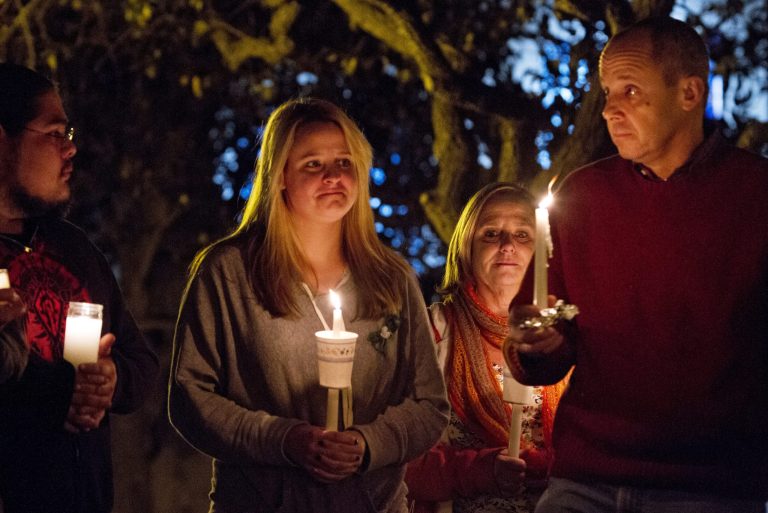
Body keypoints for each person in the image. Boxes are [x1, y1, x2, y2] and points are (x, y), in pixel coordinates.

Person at [503, 16, 768, 513]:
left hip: (711, 487)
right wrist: (537, 345)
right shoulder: (583, 196)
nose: (608, 110)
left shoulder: (755, 196)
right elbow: (537, 346)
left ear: (688, 94)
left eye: (630, 91)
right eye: (606, 92)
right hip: (585, 478)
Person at [168, 97, 449, 513]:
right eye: (314, 164)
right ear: (280, 175)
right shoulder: (229, 274)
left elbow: (429, 405)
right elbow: (190, 397)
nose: (334, 175)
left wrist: (369, 444)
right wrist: (284, 439)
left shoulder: (391, 277)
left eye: (345, 161)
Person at [0, 62, 160, 513]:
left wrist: (108, 381)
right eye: (55, 134)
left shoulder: (73, 248)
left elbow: (139, 360)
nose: (70, 150)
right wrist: (61, 392)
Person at [405, 182, 569, 513]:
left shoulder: (566, 338)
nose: (508, 245)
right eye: (491, 234)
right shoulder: (434, 332)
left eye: (523, 235)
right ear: (467, 248)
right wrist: (480, 470)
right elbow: (402, 454)